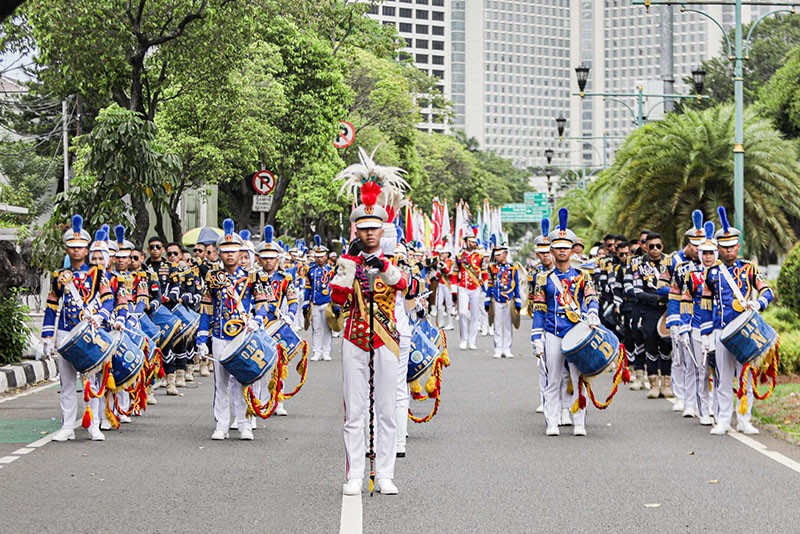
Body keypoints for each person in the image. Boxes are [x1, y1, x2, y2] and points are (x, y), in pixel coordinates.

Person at [332, 146, 409, 496]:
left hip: (386, 338)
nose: (368, 234)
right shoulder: (347, 260)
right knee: (355, 411)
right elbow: (335, 302)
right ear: (355, 230)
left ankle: (386, 474)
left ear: (382, 228)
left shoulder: (395, 257)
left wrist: (388, 270)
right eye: (362, 229)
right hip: (354, 336)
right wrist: (346, 268)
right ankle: (354, 475)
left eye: (373, 228)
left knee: (388, 410)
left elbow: (411, 286)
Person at [700, 207, 774, 435]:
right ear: (718, 248)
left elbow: (767, 291)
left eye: (732, 246)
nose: (729, 250)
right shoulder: (712, 273)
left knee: (746, 376)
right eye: (724, 247)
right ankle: (723, 420)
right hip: (721, 331)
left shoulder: (749, 268)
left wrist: (758, 304)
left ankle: (744, 419)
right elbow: (705, 304)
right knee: (722, 378)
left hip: (745, 331)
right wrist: (705, 334)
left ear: (738, 247)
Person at [42, 216, 114, 442]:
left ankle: (94, 424)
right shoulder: (59, 276)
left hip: (90, 331)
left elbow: (108, 299)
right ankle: (67, 427)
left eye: (81, 247)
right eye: (72, 248)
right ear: (67, 249)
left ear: (87, 249)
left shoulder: (98, 274)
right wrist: (46, 336)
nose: (76, 251)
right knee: (67, 383)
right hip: (66, 333)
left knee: (92, 381)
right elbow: (52, 305)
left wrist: (101, 316)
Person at [196, 219, 267, 440]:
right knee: (221, 383)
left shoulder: (252, 276)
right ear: (218, 253)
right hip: (219, 335)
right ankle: (222, 425)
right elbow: (207, 308)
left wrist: (258, 319)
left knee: (243, 381)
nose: (229, 255)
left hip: (242, 336)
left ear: (240, 252)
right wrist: (201, 337)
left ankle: (245, 423)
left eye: (233, 251)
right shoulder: (213, 278)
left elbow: (263, 303)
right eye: (225, 251)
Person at [531, 208, 599, 437]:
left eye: (565, 247)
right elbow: (539, 309)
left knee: (578, 379)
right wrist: (536, 338)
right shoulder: (543, 279)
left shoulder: (582, 275)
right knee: (553, 379)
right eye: (557, 247)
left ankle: (579, 421)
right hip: (552, 332)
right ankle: (552, 421)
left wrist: (593, 314)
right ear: (551, 250)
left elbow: (590, 297)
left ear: (572, 250)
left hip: (577, 334)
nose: (561, 251)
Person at [255, 224, 299, 417]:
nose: (268, 261)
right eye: (264, 257)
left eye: (271, 257)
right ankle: (262, 400)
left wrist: (290, 314)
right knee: (258, 363)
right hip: (256, 323)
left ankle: (278, 398)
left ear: (277, 258)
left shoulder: (284, 277)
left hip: (275, 322)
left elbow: (293, 299)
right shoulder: (252, 277)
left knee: (279, 364)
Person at [676, 221, 717, 426]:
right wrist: (684, 327)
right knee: (700, 370)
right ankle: (704, 410)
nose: (708, 256)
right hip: (697, 328)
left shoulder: (722, 274)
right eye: (705, 253)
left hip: (719, 328)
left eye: (711, 253)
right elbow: (685, 301)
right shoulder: (692, 276)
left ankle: (718, 409)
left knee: (718, 372)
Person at [665, 211, 703, 413]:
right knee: (680, 358)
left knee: (701, 363)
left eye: (702, 244)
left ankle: (702, 401)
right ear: (688, 243)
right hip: (680, 314)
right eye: (695, 244)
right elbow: (668, 290)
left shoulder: (711, 265)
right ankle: (681, 397)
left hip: (702, 319)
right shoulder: (675, 263)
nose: (698, 249)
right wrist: (674, 321)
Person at [633, 232, 672, 398]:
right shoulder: (638, 265)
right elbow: (637, 291)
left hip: (668, 310)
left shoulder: (670, 263)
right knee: (651, 345)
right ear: (646, 247)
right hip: (649, 309)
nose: (655, 249)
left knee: (666, 346)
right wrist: (657, 298)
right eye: (651, 246)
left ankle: (666, 385)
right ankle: (654, 385)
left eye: (659, 246)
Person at [485, 240, 521, 358]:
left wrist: (518, 301)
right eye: (495, 255)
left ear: (505, 254)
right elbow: (490, 284)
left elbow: (516, 286)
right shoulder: (492, 268)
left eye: (499, 255)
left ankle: (507, 348)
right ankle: (498, 348)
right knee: (497, 324)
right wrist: (487, 299)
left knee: (507, 325)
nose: (496, 257)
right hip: (496, 298)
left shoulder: (513, 268)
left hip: (509, 299)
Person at [304, 236, 334, 361]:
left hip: (327, 303)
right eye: (317, 256)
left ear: (326, 257)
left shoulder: (331, 271)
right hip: (315, 303)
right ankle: (317, 351)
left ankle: (326, 352)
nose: (319, 259)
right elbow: (307, 287)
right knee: (316, 329)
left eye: (321, 256)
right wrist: (306, 303)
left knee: (327, 329)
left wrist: (336, 305)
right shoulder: (310, 271)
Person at [455, 232, 485, 350]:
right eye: (471, 241)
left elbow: (484, 271)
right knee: (462, 313)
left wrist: (484, 285)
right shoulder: (459, 256)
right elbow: (455, 271)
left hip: (475, 288)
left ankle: (472, 341)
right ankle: (464, 339)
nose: (474, 243)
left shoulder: (480, 256)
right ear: (466, 242)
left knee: (474, 314)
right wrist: (453, 289)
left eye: (475, 241)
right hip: (462, 286)